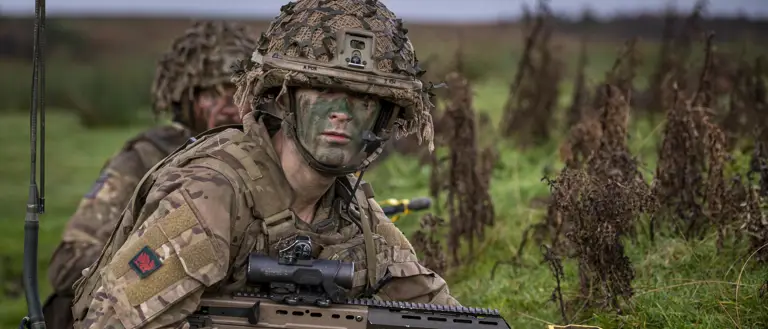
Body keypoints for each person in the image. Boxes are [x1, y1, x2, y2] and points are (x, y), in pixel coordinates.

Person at [70, 1, 460, 328]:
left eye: (363, 99)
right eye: (323, 90)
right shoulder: (211, 195)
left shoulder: (355, 214)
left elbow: (439, 312)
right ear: (284, 99)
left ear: (383, 119)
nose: (341, 112)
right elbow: (109, 323)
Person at [42, 20, 258, 329]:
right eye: (212, 93)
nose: (228, 106)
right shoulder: (146, 158)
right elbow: (69, 263)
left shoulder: (267, 160)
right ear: (186, 98)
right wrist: (164, 265)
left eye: (237, 91)